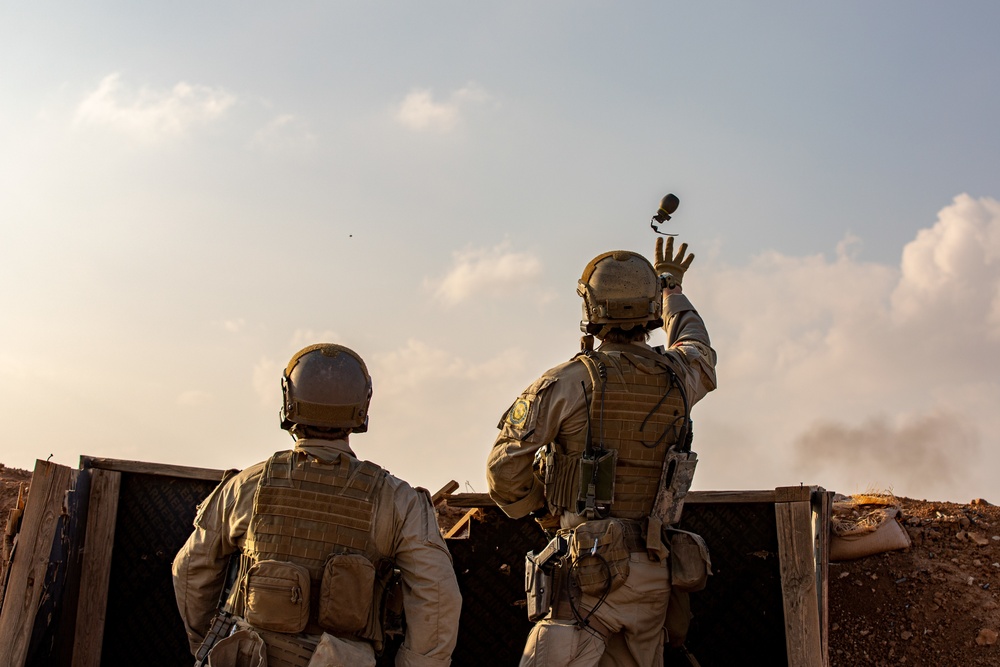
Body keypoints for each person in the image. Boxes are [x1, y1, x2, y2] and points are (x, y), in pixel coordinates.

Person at [486, 238, 717, 666]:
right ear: (649, 311)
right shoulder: (680, 376)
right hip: (652, 574)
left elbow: (504, 470)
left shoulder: (569, 381)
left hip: (584, 574)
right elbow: (698, 346)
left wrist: (542, 509)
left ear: (591, 311)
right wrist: (671, 288)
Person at [173, 343, 462, 667]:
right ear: (361, 406)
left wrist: (208, 646)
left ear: (289, 401)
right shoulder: (398, 500)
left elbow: (190, 571)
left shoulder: (245, 487)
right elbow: (438, 598)